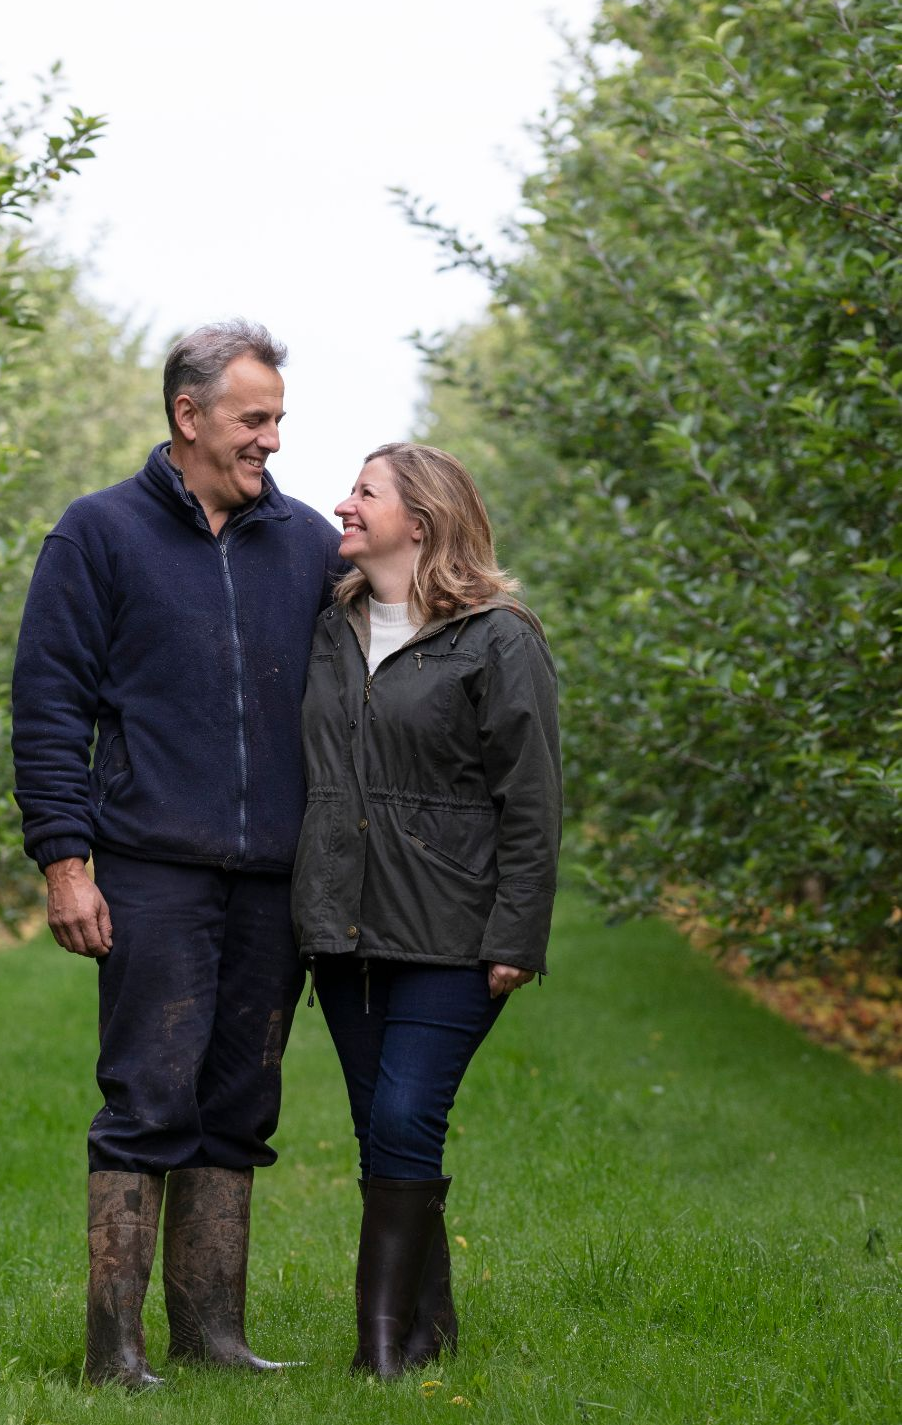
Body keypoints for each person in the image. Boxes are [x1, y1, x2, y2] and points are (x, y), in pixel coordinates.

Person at [11, 320, 343, 1389]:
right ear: (188, 417)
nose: (274, 442)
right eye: (255, 420)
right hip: (150, 864)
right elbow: (48, 707)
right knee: (149, 1097)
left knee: (241, 1102)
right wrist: (67, 860)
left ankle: (215, 1337)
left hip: (272, 876)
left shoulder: (302, 546)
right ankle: (114, 1355)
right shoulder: (97, 535)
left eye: (280, 419)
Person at [291, 442, 562, 1379]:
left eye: (364, 493)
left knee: (407, 1115)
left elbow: (531, 800)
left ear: (424, 518)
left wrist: (516, 934)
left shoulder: (500, 637)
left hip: (452, 933)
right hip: (346, 929)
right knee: (384, 1132)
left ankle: (376, 1357)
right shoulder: (332, 627)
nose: (343, 505)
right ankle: (427, 1326)